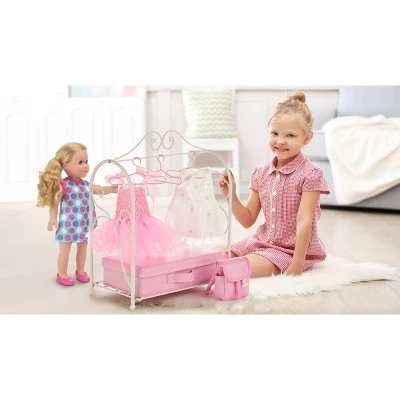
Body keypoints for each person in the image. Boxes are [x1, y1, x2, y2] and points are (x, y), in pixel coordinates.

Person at [218, 91, 330, 277]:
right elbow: (247, 219)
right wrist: (231, 195)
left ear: (307, 138)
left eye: (290, 135)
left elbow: (305, 220)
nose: (280, 141)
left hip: (289, 252)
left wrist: (297, 264)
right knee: (211, 255)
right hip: (261, 242)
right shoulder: (261, 173)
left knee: (236, 268)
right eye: (275, 133)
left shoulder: (310, 175)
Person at [37, 142, 118, 286]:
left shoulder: (86, 184)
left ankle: (80, 271)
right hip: (68, 225)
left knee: (82, 249)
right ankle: (62, 274)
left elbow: (99, 189)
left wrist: (111, 189)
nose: (85, 166)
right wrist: (52, 218)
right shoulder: (64, 185)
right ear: (65, 165)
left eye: (86, 161)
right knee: (65, 251)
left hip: (84, 224)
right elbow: (54, 202)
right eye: (80, 162)